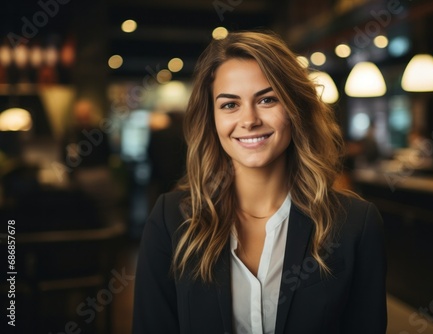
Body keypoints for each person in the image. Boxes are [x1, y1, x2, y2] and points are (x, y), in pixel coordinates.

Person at [133, 31, 387, 334]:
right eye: (230, 105)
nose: (249, 119)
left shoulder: (354, 224)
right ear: (212, 118)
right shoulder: (171, 219)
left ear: (295, 108)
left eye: (267, 99)